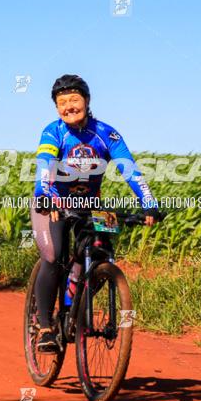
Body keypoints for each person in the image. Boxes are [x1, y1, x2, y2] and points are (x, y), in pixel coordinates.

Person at [30, 74, 159, 352]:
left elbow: (130, 169)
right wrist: (45, 197)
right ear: (56, 108)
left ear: (87, 102)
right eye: (61, 103)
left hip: (90, 206)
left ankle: (74, 301)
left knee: (102, 251)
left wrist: (148, 202)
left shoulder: (106, 133)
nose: (68, 107)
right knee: (53, 255)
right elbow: (45, 166)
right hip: (53, 203)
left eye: (74, 100)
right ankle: (45, 328)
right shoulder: (53, 132)